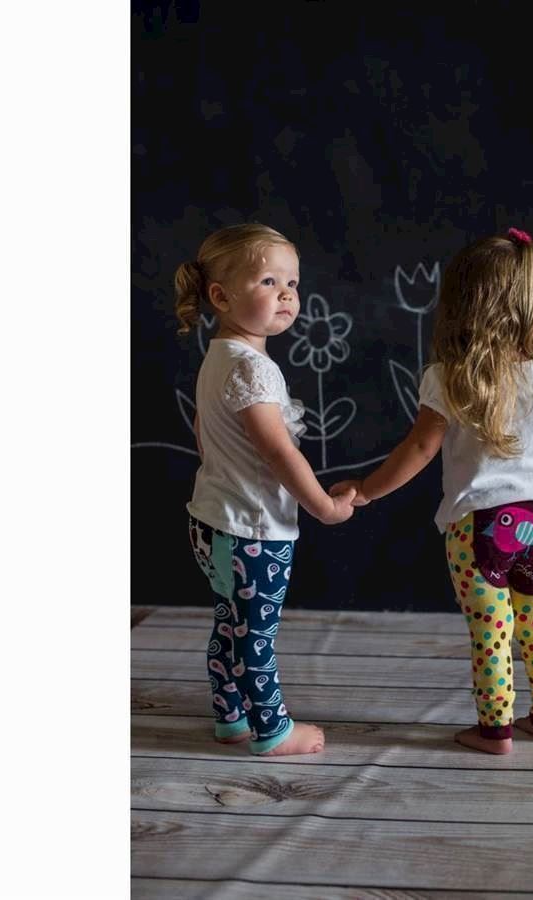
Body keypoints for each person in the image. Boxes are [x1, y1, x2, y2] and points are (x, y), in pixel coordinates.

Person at [331, 228, 533, 754]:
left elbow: (420, 448)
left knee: (492, 633)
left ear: (462, 303)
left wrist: (368, 491)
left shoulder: (449, 378)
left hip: (479, 530)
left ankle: (495, 731)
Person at [174, 223, 357, 757]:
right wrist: (323, 506)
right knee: (256, 635)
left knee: (230, 623)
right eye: (269, 281)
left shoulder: (219, 357)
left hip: (213, 521)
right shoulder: (254, 370)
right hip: (252, 532)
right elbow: (280, 453)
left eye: (292, 283)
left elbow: (203, 434)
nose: (286, 294)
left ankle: (230, 717)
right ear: (221, 296)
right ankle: (273, 730)